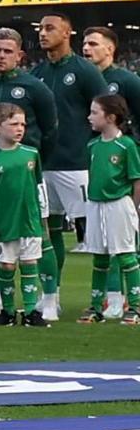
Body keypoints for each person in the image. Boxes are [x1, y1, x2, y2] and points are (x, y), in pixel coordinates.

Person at [0, 29, 58, 319]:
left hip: (27, 173)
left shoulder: (34, 87)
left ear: (19, 55)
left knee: (41, 236)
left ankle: (49, 300)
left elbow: (50, 129)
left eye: (7, 51)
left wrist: (32, 161)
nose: (1, 55)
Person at [31, 13, 108, 321]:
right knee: (48, 233)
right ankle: (51, 296)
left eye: (50, 28)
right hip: (43, 163)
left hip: (76, 164)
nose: (42, 33)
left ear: (67, 33)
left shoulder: (84, 71)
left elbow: (106, 109)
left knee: (99, 232)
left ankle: (113, 297)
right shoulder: (37, 73)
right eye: (40, 29)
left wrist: (88, 147)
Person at [0, 103, 45, 326]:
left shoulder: (31, 154)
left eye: (23, 124)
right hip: (5, 222)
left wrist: (39, 215)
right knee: (6, 265)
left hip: (29, 220)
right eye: (14, 123)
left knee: (29, 263)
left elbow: (37, 185)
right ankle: (7, 311)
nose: (20, 128)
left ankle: (30, 311)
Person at [82, 95, 140, 323]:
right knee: (99, 256)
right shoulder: (93, 145)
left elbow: (136, 179)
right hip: (95, 204)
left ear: (111, 117)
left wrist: (134, 208)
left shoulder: (126, 145)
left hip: (119, 204)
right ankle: (96, 306)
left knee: (126, 255)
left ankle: (135, 306)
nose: (89, 117)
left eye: (94, 112)